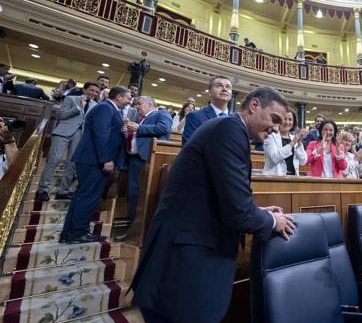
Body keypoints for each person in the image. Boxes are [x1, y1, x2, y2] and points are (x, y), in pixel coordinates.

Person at [131, 87, 295, 323]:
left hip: (187, 274)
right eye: (274, 119)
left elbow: (220, 197)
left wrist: (257, 211)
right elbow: (238, 211)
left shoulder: (231, 131)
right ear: (253, 105)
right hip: (183, 277)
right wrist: (273, 220)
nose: (276, 128)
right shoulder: (229, 130)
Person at [60, 86, 132, 244]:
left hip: (91, 160)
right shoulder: (105, 108)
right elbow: (101, 135)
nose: (129, 101)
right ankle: (78, 233)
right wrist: (106, 159)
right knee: (88, 197)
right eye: (128, 97)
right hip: (93, 161)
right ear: (118, 97)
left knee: (82, 196)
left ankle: (70, 233)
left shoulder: (108, 109)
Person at [36, 82, 100, 202]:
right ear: (84, 90)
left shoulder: (96, 105)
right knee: (54, 160)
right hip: (63, 133)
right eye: (91, 90)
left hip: (81, 135)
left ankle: (63, 191)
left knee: (72, 164)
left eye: (96, 92)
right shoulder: (71, 99)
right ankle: (43, 190)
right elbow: (62, 115)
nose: (94, 93)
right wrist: (78, 108)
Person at [122, 96, 172, 233]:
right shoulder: (139, 119)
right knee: (133, 195)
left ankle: (144, 231)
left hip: (149, 159)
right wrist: (128, 133)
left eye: (139, 103)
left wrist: (139, 127)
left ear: (150, 104)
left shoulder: (161, 113)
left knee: (145, 196)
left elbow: (164, 128)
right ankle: (132, 229)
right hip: (133, 159)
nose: (136, 106)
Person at [182, 76, 233, 145]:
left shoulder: (237, 119)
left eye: (228, 87)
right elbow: (189, 149)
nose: (224, 89)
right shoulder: (194, 117)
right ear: (209, 92)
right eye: (219, 86)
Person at [263, 107, 308, 176]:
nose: (287, 122)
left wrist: (299, 142)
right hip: (274, 179)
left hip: (292, 179)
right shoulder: (270, 136)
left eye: (290, 119)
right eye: (284, 119)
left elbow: (303, 161)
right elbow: (275, 158)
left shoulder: (294, 138)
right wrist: (293, 142)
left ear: (293, 122)